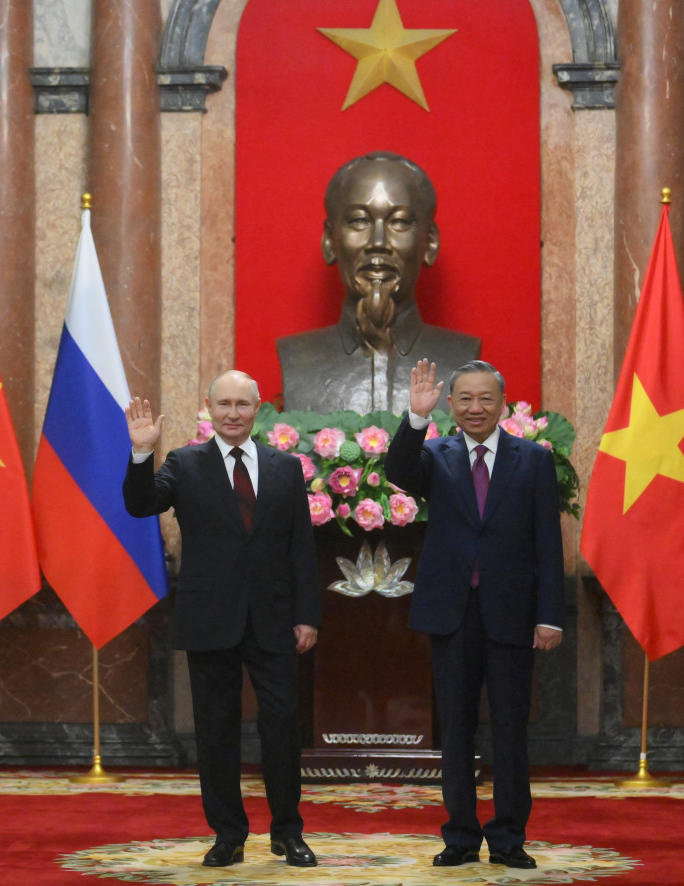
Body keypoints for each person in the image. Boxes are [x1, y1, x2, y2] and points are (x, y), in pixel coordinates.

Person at [122, 370, 321, 868]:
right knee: (216, 729)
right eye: (223, 404)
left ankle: (287, 832)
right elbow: (140, 504)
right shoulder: (184, 464)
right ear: (208, 408)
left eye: (242, 404)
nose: (233, 413)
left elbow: (302, 548)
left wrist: (307, 616)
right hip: (210, 617)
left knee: (281, 727)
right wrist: (142, 453)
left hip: (275, 620)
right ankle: (228, 834)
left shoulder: (285, 467)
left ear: (258, 410)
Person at [384, 359, 565, 871]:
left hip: (512, 615)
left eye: (485, 398)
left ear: (503, 404)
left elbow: (548, 545)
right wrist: (415, 420)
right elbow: (398, 471)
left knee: (510, 731)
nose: (475, 408)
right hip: (452, 614)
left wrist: (549, 615)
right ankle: (460, 836)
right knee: (456, 731)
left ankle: (508, 838)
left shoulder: (532, 459)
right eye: (464, 398)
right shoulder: (435, 456)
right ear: (450, 404)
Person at [277, 151, 480, 413]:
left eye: (399, 222)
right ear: (330, 240)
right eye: (359, 221)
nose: (378, 243)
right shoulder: (297, 357)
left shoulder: (461, 355)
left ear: (429, 242)